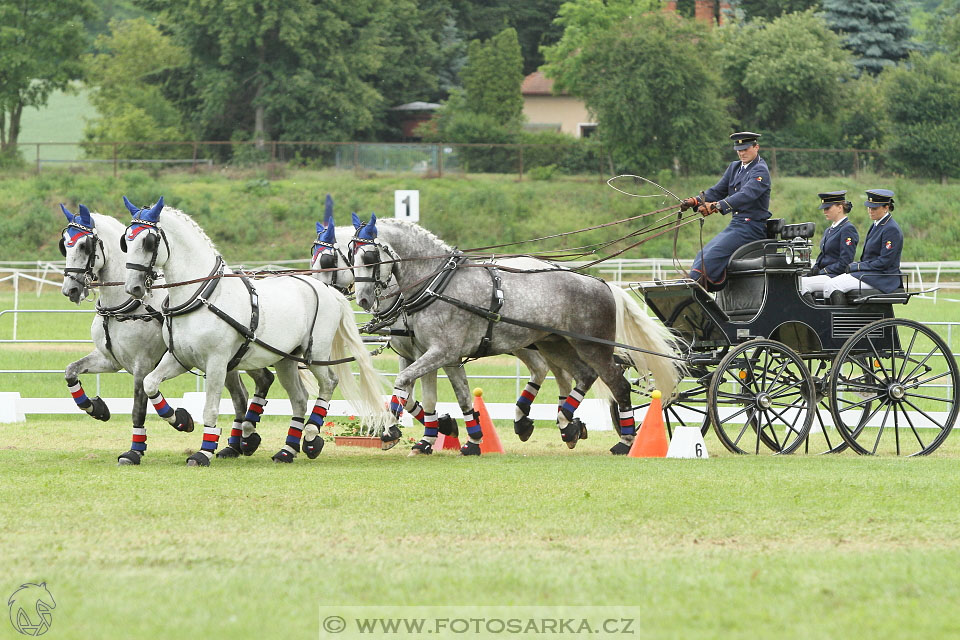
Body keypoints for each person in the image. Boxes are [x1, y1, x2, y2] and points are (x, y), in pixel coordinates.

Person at [681, 131, 772, 291]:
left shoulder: (760, 171)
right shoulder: (734, 167)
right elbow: (717, 191)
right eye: (739, 149)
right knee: (702, 253)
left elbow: (746, 195)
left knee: (712, 254)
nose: (741, 153)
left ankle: (692, 286)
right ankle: (692, 284)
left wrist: (717, 206)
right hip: (737, 225)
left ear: (756, 147)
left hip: (752, 228)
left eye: (745, 149)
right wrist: (695, 200)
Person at [821, 189, 903, 304]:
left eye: (874, 208)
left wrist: (858, 266)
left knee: (833, 285)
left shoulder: (891, 229)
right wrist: (858, 266)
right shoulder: (876, 225)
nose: (870, 211)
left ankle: (842, 321)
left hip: (883, 277)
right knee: (829, 284)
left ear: (886, 207)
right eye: (869, 207)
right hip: (871, 274)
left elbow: (885, 261)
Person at [799, 191, 859, 302]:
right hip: (825, 274)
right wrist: (813, 270)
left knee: (801, 285)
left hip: (835, 275)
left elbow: (845, 262)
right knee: (797, 281)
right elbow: (822, 255)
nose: (824, 211)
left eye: (828, 208)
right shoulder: (829, 230)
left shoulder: (847, 229)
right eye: (824, 208)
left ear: (839, 208)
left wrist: (823, 271)